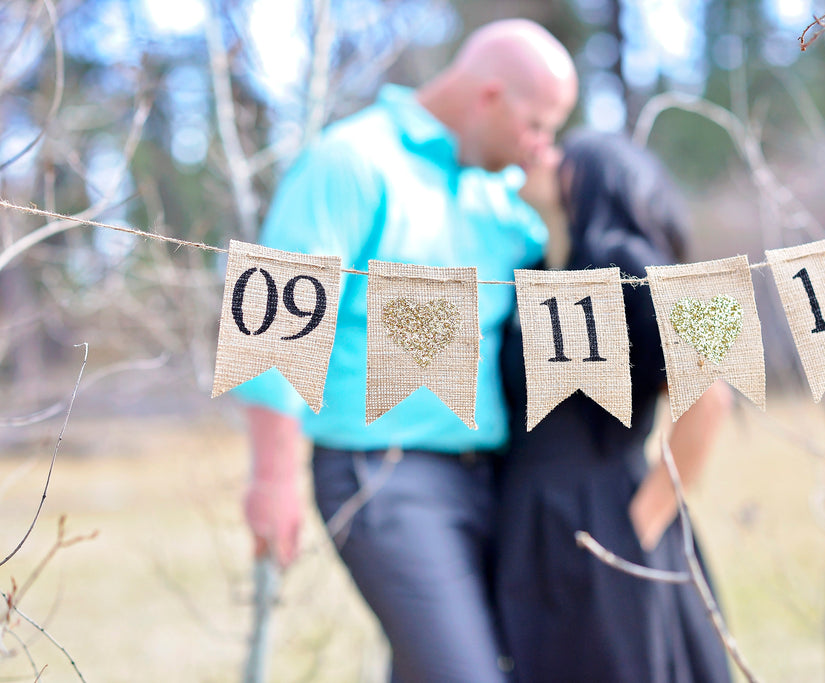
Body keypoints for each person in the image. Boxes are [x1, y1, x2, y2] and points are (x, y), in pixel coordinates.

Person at [232, 19, 578, 683]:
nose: (542, 145)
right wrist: (270, 479)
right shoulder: (351, 160)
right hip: (384, 475)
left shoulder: (502, 192)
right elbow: (271, 327)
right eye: (536, 124)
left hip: (493, 477)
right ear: (490, 97)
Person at [496, 130, 733, 683]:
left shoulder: (626, 260)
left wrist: (641, 525)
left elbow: (710, 398)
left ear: (596, 179)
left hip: (604, 517)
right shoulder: (532, 271)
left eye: (561, 152)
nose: (540, 152)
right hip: (530, 524)